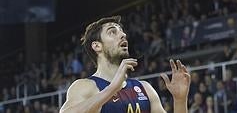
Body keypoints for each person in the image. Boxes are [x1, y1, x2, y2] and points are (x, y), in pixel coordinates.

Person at [60, 16, 191, 113]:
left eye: (122, 32)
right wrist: (112, 89)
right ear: (97, 45)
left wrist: (180, 100)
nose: (123, 35)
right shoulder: (85, 86)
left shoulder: (144, 89)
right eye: (112, 32)